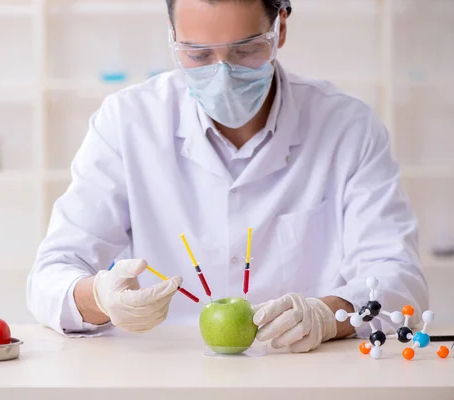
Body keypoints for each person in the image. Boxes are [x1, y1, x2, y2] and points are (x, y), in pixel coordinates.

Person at [27, 0, 429, 353]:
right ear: (173, 39)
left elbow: (397, 276)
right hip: (162, 374)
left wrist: (330, 316)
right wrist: (100, 298)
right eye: (198, 55)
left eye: (245, 50)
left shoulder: (347, 126)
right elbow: (50, 275)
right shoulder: (127, 123)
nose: (223, 75)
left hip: (305, 372)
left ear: (280, 29)